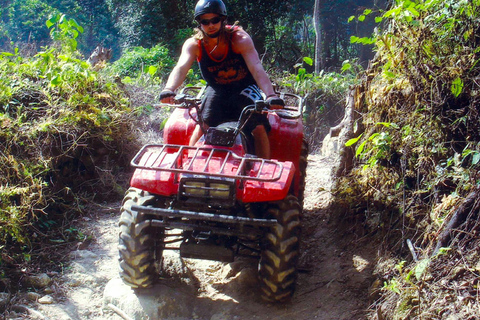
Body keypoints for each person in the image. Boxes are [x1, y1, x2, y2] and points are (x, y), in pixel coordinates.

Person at [159, 0, 283, 159]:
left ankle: (263, 170)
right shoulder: (194, 45)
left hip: (244, 87)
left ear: (223, 20)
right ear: (199, 24)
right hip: (217, 88)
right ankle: (189, 166)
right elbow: (181, 67)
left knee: (257, 126)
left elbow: (256, 68)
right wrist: (169, 89)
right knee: (203, 125)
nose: (211, 25)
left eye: (215, 20)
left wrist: (271, 95)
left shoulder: (239, 39)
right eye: (205, 21)